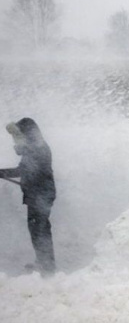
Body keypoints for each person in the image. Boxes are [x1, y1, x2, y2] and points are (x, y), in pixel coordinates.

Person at [0, 118, 56, 275]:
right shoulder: (34, 148)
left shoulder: (38, 149)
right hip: (37, 195)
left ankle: (48, 267)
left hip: (41, 195)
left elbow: (28, 170)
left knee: (40, 230)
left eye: (20, 134)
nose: (17, 139)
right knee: (38, 230)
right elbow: (22, 169)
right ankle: (44, 263)